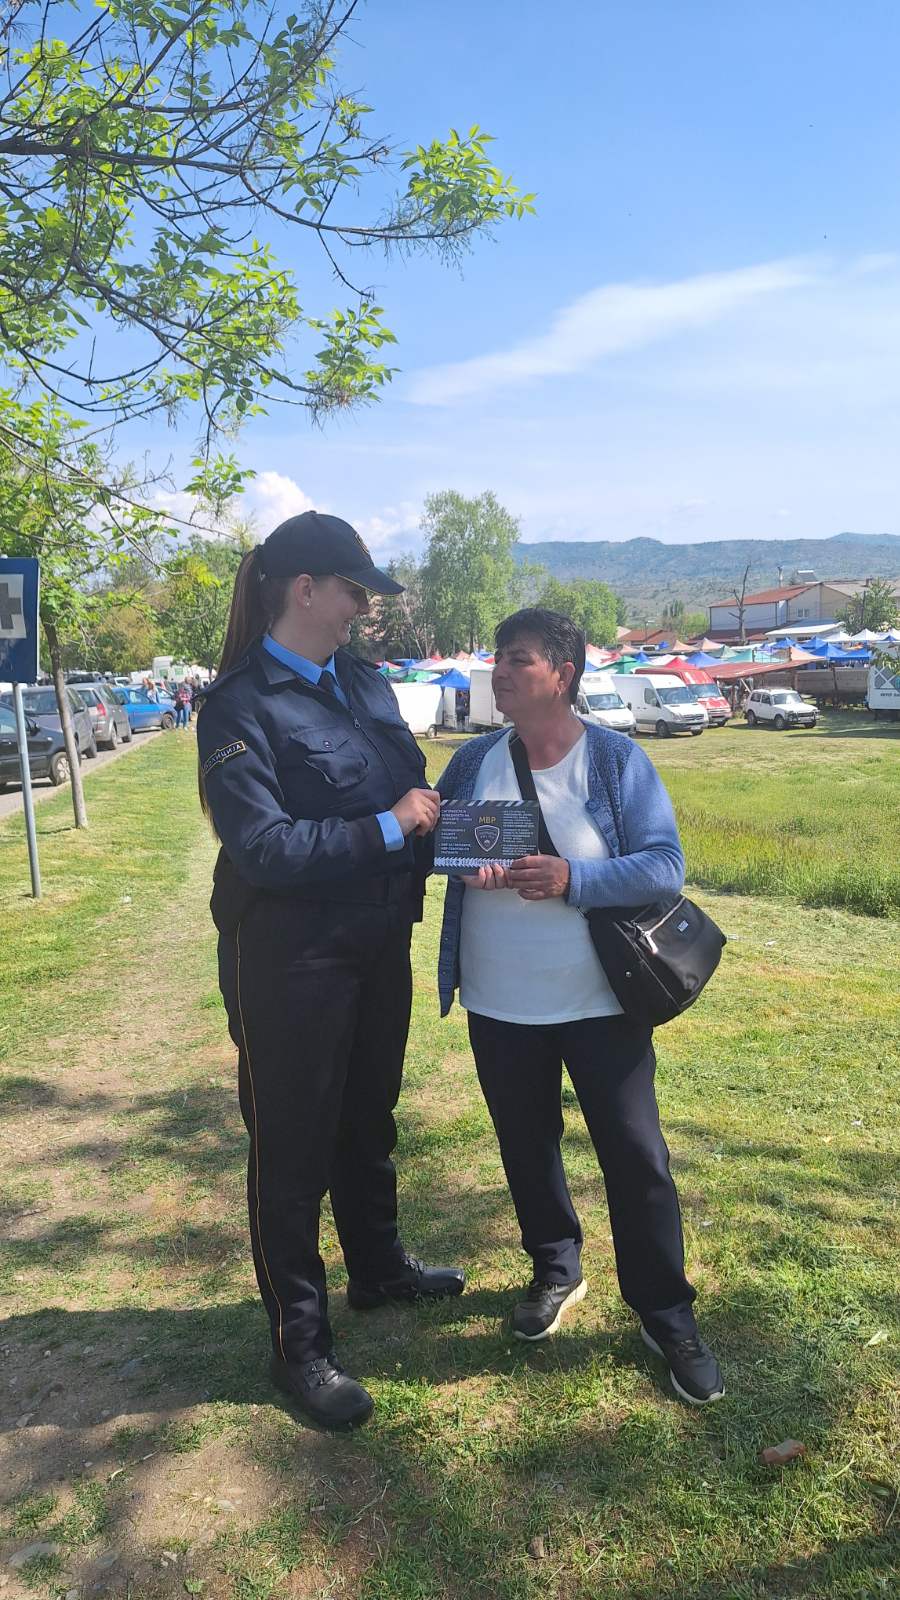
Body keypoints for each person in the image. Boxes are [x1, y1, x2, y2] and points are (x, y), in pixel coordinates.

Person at [196, 510, 464, 1430]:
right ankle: (298, 1344)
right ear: (305, 589)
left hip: (378, 939)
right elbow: (265, 848)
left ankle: (378, 1271)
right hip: (291, 957)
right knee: (293, 1145)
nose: (363, 608)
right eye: (354, 591)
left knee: (367, 1117)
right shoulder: (238, 705)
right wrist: (390, 826)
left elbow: (410, 788)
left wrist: (465, 835)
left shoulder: (362, 681)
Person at [435, 608, 723, 1405]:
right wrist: (458, 863)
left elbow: (664, 865)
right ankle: (556, 1268)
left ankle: (666, 1313)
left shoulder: (615, 761)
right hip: (500, 1000)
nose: (499, 671)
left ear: (562, 674)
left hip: (601, 1002)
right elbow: (440, 846)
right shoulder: (473, 761)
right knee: (526, 1146)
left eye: (518, 659)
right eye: (497, 657)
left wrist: (574, 879)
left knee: (636, 1157)